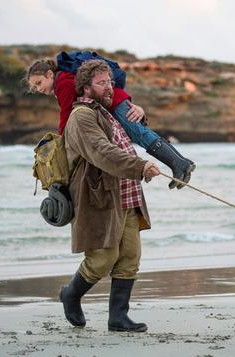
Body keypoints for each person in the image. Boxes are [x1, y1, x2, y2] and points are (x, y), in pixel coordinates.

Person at [60, 59, 160, 332]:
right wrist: (141, 167)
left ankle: (118, 318)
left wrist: (140, 111)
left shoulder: (109, 112)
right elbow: (102, 151)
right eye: (101, 83)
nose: (108, 87)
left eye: (110, 82)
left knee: (130, 257)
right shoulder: (81, 116)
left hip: (127, 195)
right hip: (99, 198)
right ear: (85, 87)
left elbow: (133, 135)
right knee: (102, 259)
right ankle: (71, 294)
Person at [25, 58, 195, 189]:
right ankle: (179, 163)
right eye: (34, 87)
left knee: (140, 134)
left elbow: (67, 114)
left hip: (115, 101)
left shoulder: (62, 82)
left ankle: (179, 163)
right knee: (140, 133)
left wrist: (63, 139)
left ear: (49, 74)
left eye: (39, 83)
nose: (38, 89)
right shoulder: (63, 81)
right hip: (114, 101)